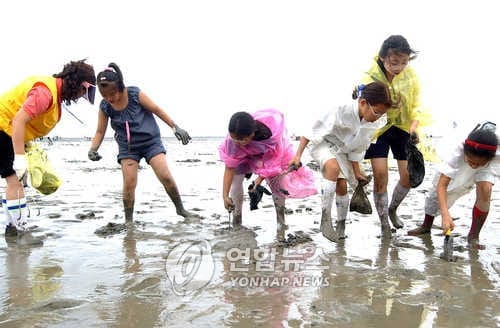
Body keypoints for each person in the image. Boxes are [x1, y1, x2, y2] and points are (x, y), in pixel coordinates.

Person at [0, 59, 96, 244]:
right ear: (76, 83)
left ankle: (13, 230)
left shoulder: (53, 93)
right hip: (2, 129)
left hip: (7, 133)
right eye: (83, 91)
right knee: (15, 183)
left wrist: (26, 148)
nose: (80, 97)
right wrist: (19, 158)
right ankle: (20, 233)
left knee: (14, 183)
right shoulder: (45, 93)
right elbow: (19, 120)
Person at [88, 63, 196, 222]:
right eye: (105, 96)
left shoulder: (134, 94)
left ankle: (181, 210)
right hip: (128, 148)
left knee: (165, 176)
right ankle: (128, 221)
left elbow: (157, 110)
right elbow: (100, 131)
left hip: (150, 142)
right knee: (129, 184)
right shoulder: (105, 106)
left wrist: (175, 127)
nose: (109, 99)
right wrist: (93, 149)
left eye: (112, 94)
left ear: (120, 87)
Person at [290, 81, 392, 241]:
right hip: (323, 143)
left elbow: (358, 149)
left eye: (382, 114)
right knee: (332, 167)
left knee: (342, 186)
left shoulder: (370, 123)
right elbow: (311, 130)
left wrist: (357, 172)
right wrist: (297, 156)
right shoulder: (339, 109)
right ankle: (325, 219)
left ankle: (341, 225)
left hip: (343, 151)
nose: (378, 117)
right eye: (377, 112)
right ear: (363, 103)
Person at [360, 35, 431, 234]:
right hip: (378, 129)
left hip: (402, 127)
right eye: (394, 62)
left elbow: (417, 104)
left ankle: (392, 209)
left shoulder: (411, 76)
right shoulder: (370, 76)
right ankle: (384, 224)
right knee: (381, 175)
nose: (399, 67)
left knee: (408, 176)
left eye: (404, 62)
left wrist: (414, 126)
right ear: (383, 58)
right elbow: (361, 102)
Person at [219, 109, 317, 229]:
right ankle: (236, 221)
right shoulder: (232, 142)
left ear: (252, 133)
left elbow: (272, 164)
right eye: (235, 139)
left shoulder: (272, 133)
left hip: (270, 153)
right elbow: (229, 168)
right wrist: (224, 195)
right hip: (243, 156)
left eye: (242, 140)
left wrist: (257, 182)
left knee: (277, 182)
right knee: (236, 181)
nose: (238, 143)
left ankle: (281, 222)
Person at [408, 122, 499, 248]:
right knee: (435, 192)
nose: (473, 166)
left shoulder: (495, 155)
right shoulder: (457, 151)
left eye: (478, 164)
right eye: (471, 162)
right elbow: (441, 186)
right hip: (466, 153)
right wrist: (445, 216)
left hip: (488, 155)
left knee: (486, 189)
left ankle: (474, 237)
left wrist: (480, 165)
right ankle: (426, 226)